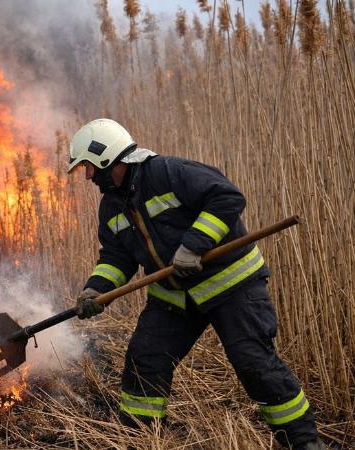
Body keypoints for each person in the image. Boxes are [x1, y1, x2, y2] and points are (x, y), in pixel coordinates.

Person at [68, 118, 322, 449]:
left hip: (231, 285)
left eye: (88, 166)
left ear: (106, 157)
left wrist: (193, 245)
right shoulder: (112, 206)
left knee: (254, 363)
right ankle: (139, 437)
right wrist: (96, 290)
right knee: (145, 360)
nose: (88, 176)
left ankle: (305, 444)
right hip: (175, 295)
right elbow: (117, 256)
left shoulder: (168, 172)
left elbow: (226, 197)